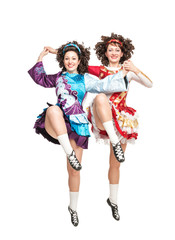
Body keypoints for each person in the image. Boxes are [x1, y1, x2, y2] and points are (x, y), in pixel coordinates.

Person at [45, 35, 153, 221]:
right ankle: (74, 206)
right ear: (105, 52)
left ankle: (113, 201)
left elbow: (150, 84)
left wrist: (134, 68)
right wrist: (57, 51)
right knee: (101, 97)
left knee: (115, 163)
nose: (113, 53)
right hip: (100, 115)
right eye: (110, 50)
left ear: (123, 53)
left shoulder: (128, 70)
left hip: (119, 118)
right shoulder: (98, 70)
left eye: (117, 50)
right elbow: (74, 63)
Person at [28, 41, 129, 226]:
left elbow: (103, 85)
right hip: (58, 123)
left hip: (77, 125)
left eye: (73, 58)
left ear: (79, 60)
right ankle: (69, 152)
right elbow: (40, 79)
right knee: (52, 110)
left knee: (74, 171)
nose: (70, 61)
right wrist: (41, 57)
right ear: (63, 60)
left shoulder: (85, 79)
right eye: (66, 58)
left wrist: (123, 73)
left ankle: (72, 208)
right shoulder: (58, 77)